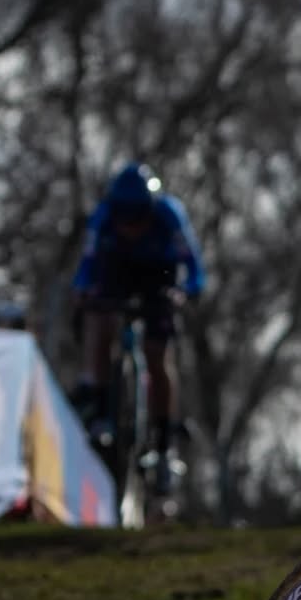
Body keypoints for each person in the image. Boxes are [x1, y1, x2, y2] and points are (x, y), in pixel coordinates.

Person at [71, 162, 205, 494]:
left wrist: (184, 292)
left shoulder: (169, 215)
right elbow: (86, 266)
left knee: (158, 355)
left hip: (158, 274)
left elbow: (194, 267)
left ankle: (162, 441)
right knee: (99, 322)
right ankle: (102, 409)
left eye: (138, 218)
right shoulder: (104, 217)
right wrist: (83, 293)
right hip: (118, 269)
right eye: (124, 218)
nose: (131, 226)